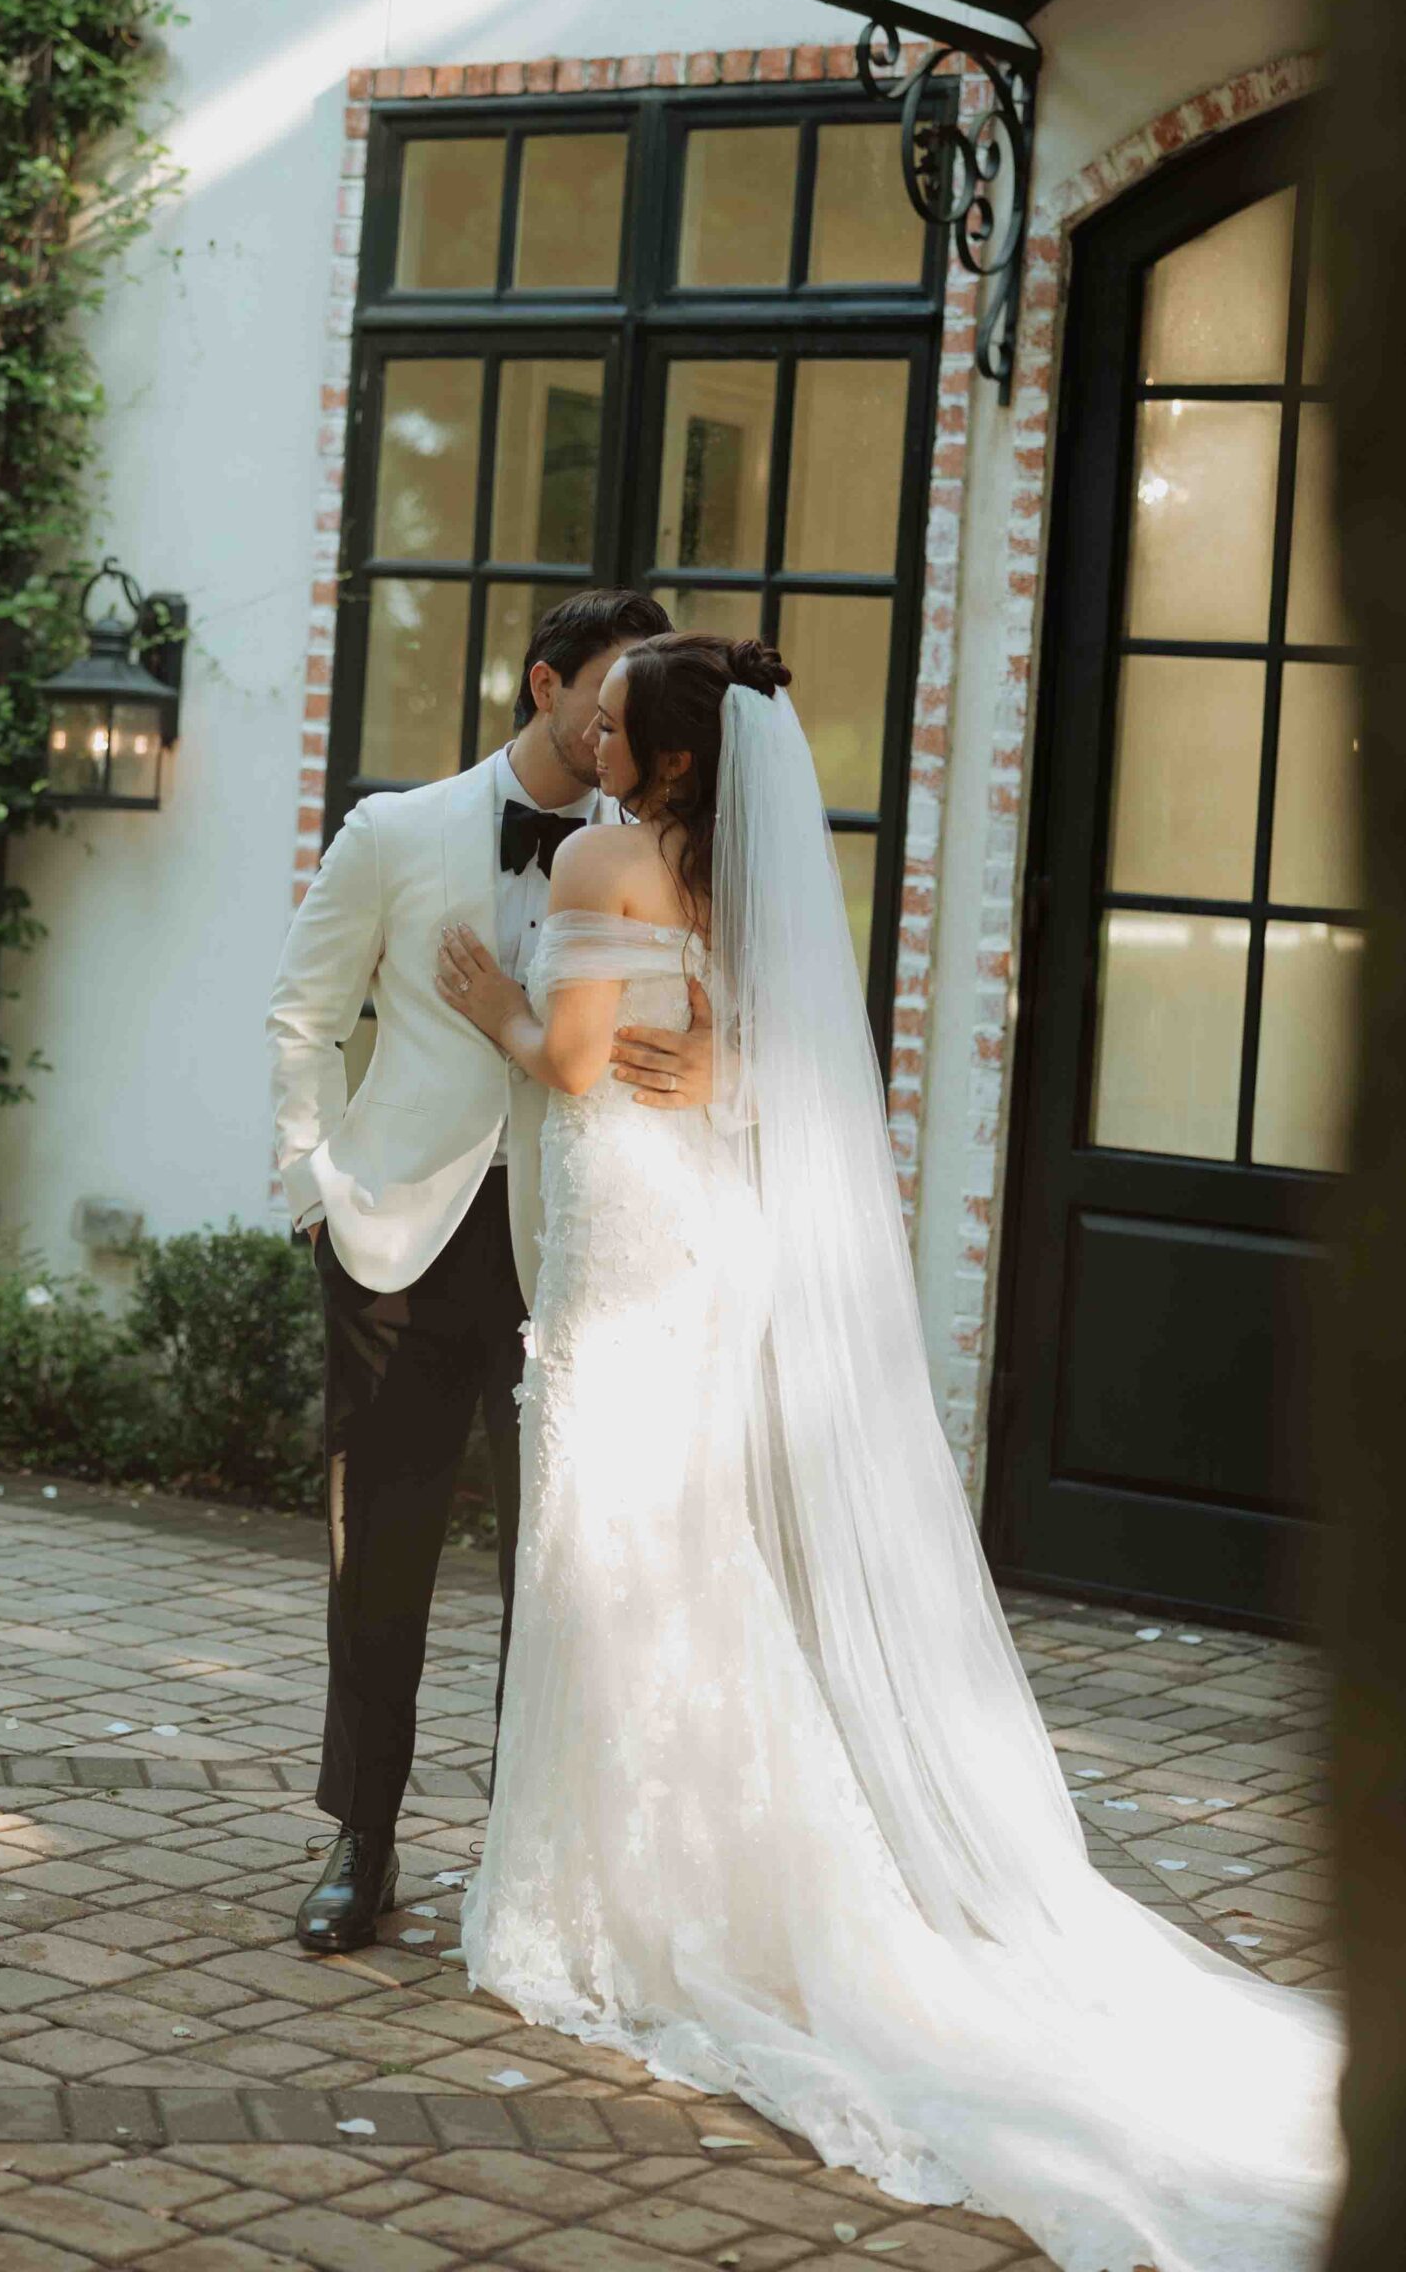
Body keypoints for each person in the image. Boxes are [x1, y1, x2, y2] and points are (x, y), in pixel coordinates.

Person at [434, 630, 1344, 2272]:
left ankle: (619, 1896)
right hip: (706, 1231)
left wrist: (495, 998)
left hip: (623, 1240)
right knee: (690, 1544)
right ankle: (720, 1869)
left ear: (671, 758)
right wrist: (707, 1060)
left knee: (605, 1537)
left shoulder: (598, 857)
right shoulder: (735, 880)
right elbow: (778, 1069)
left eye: (617, 728)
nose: (592, 744)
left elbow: (568, 1065)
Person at [266, 590, 716, 1952]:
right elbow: (303, 1013)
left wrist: (718, 1062)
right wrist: (310, 1188)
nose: (619, 726)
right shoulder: (394, 832)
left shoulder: (670, 852)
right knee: (377, 1561)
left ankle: (529, 1865)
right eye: (606, 697)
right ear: (545, 685)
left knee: (560, 1573)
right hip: (395, 1242)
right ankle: (361, 1840)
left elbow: (740, 1020)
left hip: (577, 1250)